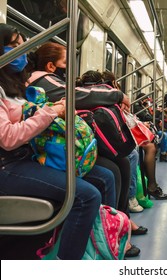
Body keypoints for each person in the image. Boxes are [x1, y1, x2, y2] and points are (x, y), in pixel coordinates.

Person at [0, 23, 116, 260]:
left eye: (23, 46)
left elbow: (31, 115)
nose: (21, 52)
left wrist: (55, 110)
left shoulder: (16, 85)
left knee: (105, 176)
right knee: (87, 196)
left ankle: (105, 239)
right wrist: (51, 112)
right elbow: (8, 139)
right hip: (8, 165)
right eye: (14, 46)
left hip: (30, 154)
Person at [27, 44, 131, 213]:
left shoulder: (48, 79)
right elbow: (74, 94)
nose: (70, 67)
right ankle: (110, 228)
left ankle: (121, 220)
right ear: (51, 66)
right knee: (112, 171)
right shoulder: (42, 80)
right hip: (51, 147)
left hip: (61, 142)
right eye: (66, 62)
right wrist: (117, 95)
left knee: (122, 160)